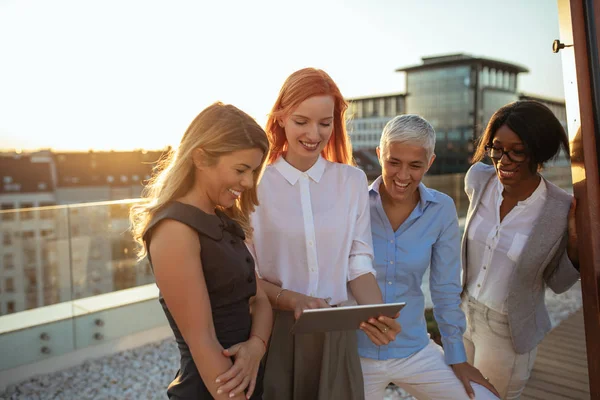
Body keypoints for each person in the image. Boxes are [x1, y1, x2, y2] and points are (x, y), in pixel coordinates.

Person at [247, 68, 401, 400]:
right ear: (281, 118)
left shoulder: (352, 182)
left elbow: (358, 264)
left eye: (325, 123)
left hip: (336, 334)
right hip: (274, 332)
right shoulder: (254, 185)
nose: (314, 134)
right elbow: (248, 276)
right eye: (301, 121)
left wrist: (376, 313)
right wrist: (293, 300)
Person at [130, 102, 273, 399]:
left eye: (253, 171)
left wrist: (255, 347)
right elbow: (202, 341)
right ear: (201, 158)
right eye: (240, 169)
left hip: (245, 381)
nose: (248, 182)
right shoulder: (174, 230)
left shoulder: (222, 220)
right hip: (214, 391)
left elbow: (260, 301)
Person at [357, 114, 499, 400]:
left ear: (430, 162)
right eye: (393, 162)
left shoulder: (441, 209)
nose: (402, 175)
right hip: (355, 354)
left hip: (415, 350)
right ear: (379, 155)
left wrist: (457, 356)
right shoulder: (355, 202)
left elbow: (445, 289)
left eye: (415, 165)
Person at [462, 100, 580, 399]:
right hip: (462, 315)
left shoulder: (558, 209)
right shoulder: (478, 179)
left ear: (538, 152)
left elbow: (559, 282)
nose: (503, 160)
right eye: (497, 148)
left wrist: (575, 241)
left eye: (518, 151)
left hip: (507, 332)